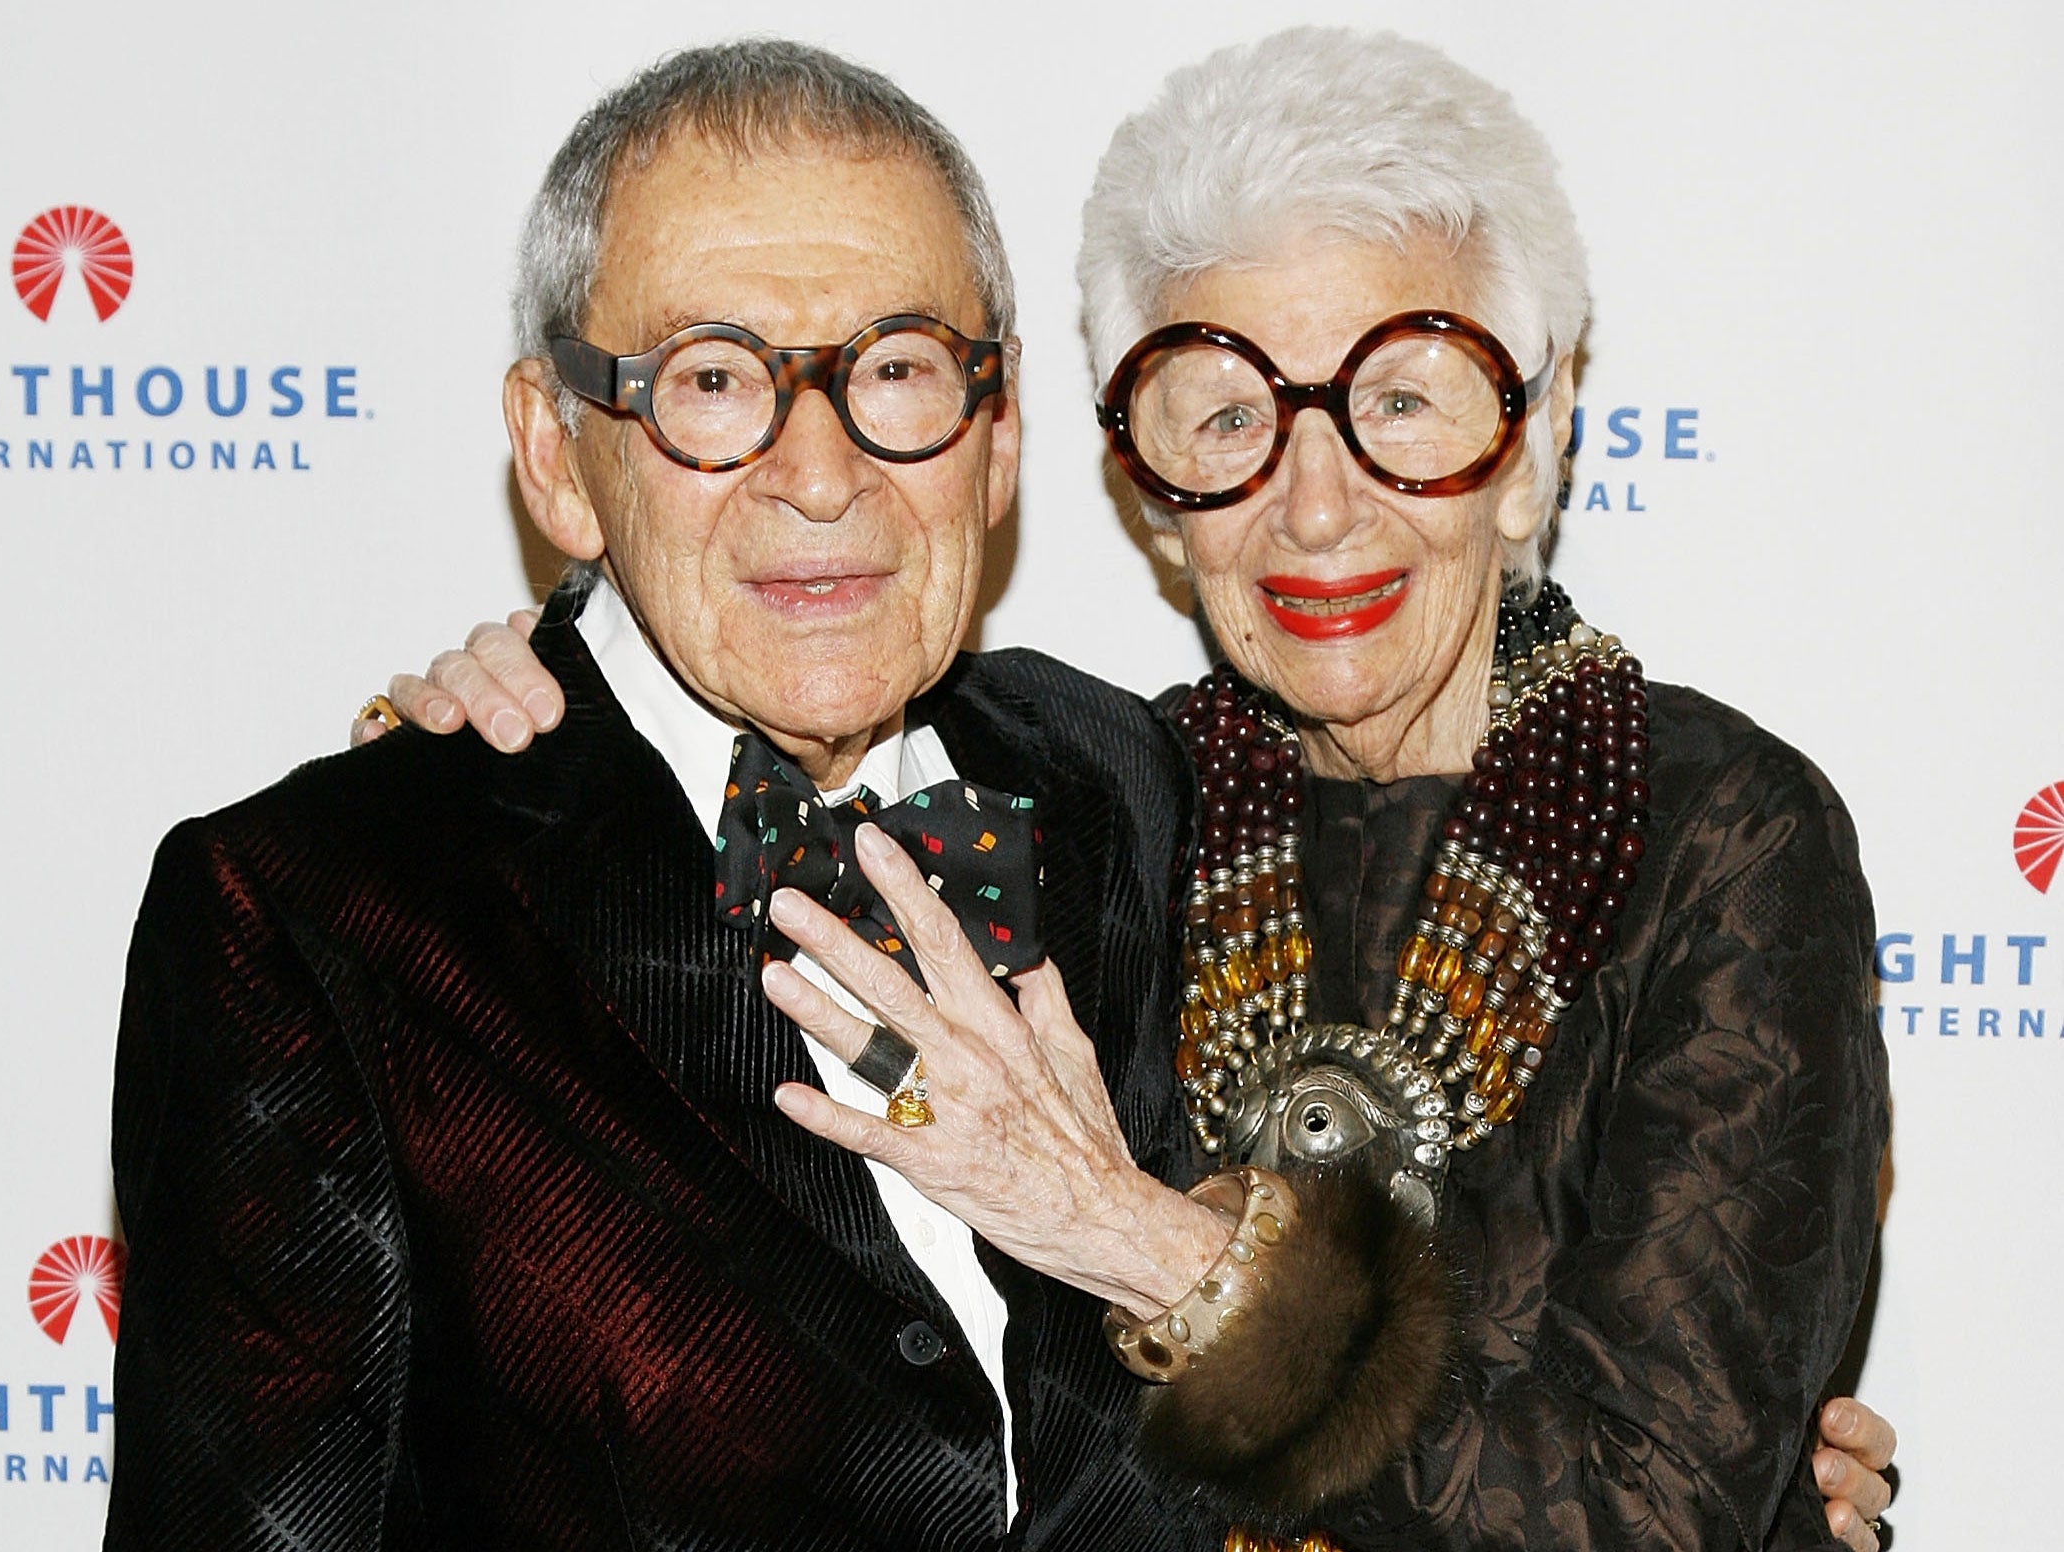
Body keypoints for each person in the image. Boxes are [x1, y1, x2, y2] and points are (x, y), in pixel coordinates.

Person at [378, 28, 1900, 1551]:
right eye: (1228, 416)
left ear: (1532, 439)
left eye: (1401, 403)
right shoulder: (1103, 792)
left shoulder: (1713, 833)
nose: (1315, 503)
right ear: (1146, 488)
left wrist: (1123, 1232)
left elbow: (1643, 1508)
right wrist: (533, 714)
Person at [109, 41, 1234, 1551]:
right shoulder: (319, 916)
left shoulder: (1115, 778)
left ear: (999, 432)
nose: (822, 474)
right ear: (557, 457)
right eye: (713, 382)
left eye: (894, 367)